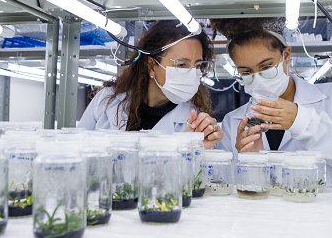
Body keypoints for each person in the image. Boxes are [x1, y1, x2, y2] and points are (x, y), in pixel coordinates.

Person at [210, 18, 332, 186]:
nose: (259, 79)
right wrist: (249, 162)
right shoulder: (232, 123)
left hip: (324, 215)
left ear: (286, 56)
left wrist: (305, 123)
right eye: (246, 72)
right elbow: (225, 189)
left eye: (266, 67)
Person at [78, 20, 223, 149]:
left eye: (197, 66)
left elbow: (194, 176)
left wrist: (198, 149)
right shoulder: (107, 101)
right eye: (181, 64)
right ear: (151, 66)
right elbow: (76, 150)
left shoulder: (195, 121)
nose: (192, 74)